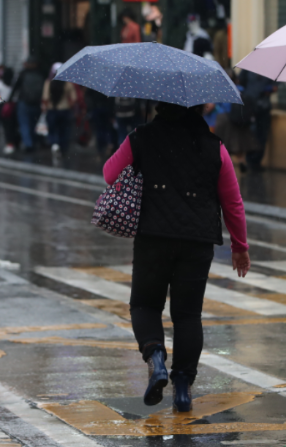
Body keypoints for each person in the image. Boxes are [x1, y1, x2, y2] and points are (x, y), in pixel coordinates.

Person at [103, 102, 251, 412]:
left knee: (144, 304)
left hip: (153, 237)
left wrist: (139, 146)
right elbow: (233, 202)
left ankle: (155, 356)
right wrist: (240, 247)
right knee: (187, 315)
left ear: (158, 103)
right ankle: (182, 387)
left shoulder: (141, 137)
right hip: (197, 241)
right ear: (201, 107)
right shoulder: (214, 146)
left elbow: (109, 174)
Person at [237, 69, 275, 172]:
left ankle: (256, 162)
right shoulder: (249, 68)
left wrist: (269, 89)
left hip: (263, 107)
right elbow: (240, 80)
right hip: (250, 106)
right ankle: (250, 160)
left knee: (262, 135)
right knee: (251, 133)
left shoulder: (272, 68)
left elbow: (275, 85)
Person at [10, 57, 45, 153]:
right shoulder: (40, 74)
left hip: (24, 102)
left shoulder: (23, 74)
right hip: (37, 103)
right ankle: (33, 142)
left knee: (24, 124)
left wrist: (9, 100)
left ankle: (28, 144)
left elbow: (15, 88)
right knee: (34, 123)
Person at [42, 62, 77, 154]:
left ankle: (55, 144)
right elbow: (74, 98)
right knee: (64, 130)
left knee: (53, 129)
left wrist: (45, 107)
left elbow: (45, 98)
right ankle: (63, 148)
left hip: (52, 110)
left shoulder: (48, 82)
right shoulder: (67, 82)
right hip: (64, 110)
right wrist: (70, 105)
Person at [0, 67, 17, 155]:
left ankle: (9, 144)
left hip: (3, 106)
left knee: (6, 126)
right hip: (13, 105)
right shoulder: (14, 83)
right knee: (12, 126)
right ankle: (13, 143)